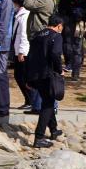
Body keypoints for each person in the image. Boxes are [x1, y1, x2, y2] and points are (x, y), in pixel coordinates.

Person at [26, 15, 65, 148]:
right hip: (48, 74)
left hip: (35, 74)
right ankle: (39, 137)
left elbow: (30, 55)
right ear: (59, 25)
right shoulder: (56, 36)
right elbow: (55, 54)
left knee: (47, 99)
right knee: (48, 104)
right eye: (62, 27)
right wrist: (59, 70)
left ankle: (53, 130)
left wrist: (28, 76)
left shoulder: (37, 35)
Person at [13, 0, 31, 110]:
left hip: (23, 51)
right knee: (19, 75)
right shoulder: (19, 15)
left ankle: (30, 100)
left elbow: (24, 34)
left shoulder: (25, 15)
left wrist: (22, 51)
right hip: (18, 49)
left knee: (22, 76)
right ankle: (28, 100)